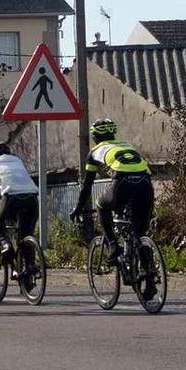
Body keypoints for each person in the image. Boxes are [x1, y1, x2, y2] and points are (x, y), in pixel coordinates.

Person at [70, 119, 154, 293]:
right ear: (113, 133)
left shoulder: (94, 152)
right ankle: (150, 281)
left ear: (95, 137)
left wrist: (78, 207)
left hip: (122, 182)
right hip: (145, 183)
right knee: (139, 234)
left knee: (102, 205)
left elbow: (87, 184)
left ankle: (114, 246)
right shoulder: (127, 145)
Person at [0, 142, 40, 281]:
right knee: (25, 235)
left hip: (11, 196)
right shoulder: (18, 161)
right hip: (32, 197)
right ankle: (30, 266)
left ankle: (6, 245)